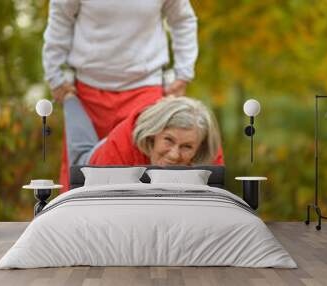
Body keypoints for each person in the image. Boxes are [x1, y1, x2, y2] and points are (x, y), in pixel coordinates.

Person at [42, 0, 199, 191]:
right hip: (89, 91)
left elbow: (183, 20)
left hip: (146, 90)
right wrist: (54, 75)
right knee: (80, 175)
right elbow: (61, 17)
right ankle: (74, 220)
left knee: (146, 176)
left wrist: (184, 74)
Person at [62, 95, 224, 192]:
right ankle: (69, 98)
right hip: (98, 156)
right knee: (80, 153)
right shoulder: (118, 149)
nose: (175, 155)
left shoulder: (208, 152)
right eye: (168, 140)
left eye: (187, 147)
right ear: (153, 136)